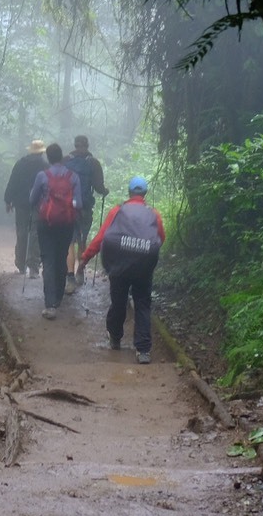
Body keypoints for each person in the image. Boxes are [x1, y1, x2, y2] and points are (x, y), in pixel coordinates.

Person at [79, 176, 165, 363]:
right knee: (142, 303)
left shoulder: (117, 210)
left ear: (129, 192)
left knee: (118, 301)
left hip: (118, 264)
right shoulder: (153, 213)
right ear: (145, 194)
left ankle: (115, 337)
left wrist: (85, 257)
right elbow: (160, 238)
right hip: (143, 265)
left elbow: (101, 237)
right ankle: (143, 350)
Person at [28, 142, 83, 319]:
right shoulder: (73, 177)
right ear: (60, 157)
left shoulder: (42, 176)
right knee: (61, 257)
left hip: (46, 223)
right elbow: (79, 203)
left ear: (49, 158)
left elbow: (32, 199)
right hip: (66, 224)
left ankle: (50, 304)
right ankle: (58, 296)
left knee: (48, 260)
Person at [63, 136, 107, 292]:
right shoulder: (93, 163)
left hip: (67, 208)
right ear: (87, 145)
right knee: (82, 240)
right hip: (85, 208)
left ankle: (69, 277)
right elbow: (99, 186)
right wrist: (104, 191)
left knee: (70, 242)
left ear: (74, 145)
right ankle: (80, 271)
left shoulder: (66, 160)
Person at [3, 139, 48, 276]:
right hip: (38, 204)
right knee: (35, 233)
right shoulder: (45, 165)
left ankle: (21, 264)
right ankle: (33, 266)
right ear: (41, 152)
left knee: (22, 232)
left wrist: (8, 200)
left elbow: (13, 182)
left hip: (21, 203)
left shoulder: (20, 164)